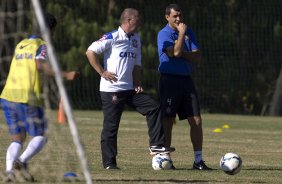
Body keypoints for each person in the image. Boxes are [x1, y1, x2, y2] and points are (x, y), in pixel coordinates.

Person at [86, 8, 174, 170]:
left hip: (130, 90)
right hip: (111, 90)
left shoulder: (136, 38)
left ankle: (156, 145)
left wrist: (137, 82)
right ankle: (109, 163)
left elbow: (137, 64)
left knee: (154, 107)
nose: (140, 23)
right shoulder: (112, 36)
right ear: (129, 20)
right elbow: (90, 51)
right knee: (111, 127)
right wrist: (102, 72)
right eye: (138, 20)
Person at [0, 13, 78, 182]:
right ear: (49, 30)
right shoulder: (42, 45)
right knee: (42, 135)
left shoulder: (21, 44)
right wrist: (66, 75)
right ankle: (21, 161)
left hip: (8, 95)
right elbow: (40, 65)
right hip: (27, 97)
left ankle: (9, 172)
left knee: (18, 139)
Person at [157, 4, 212, 170]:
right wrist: (181, 35)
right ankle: (166, 160)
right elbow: (174, 52)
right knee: (168, 119)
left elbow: (197, 56)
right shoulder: (164, 34)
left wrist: (182, 54)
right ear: (167, 17)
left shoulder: (190, 32)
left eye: (180, 15)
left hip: (186, 81)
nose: (179, 19)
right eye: (175, 16)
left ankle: (198, 161)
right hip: (169, 80)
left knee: (196, 120)